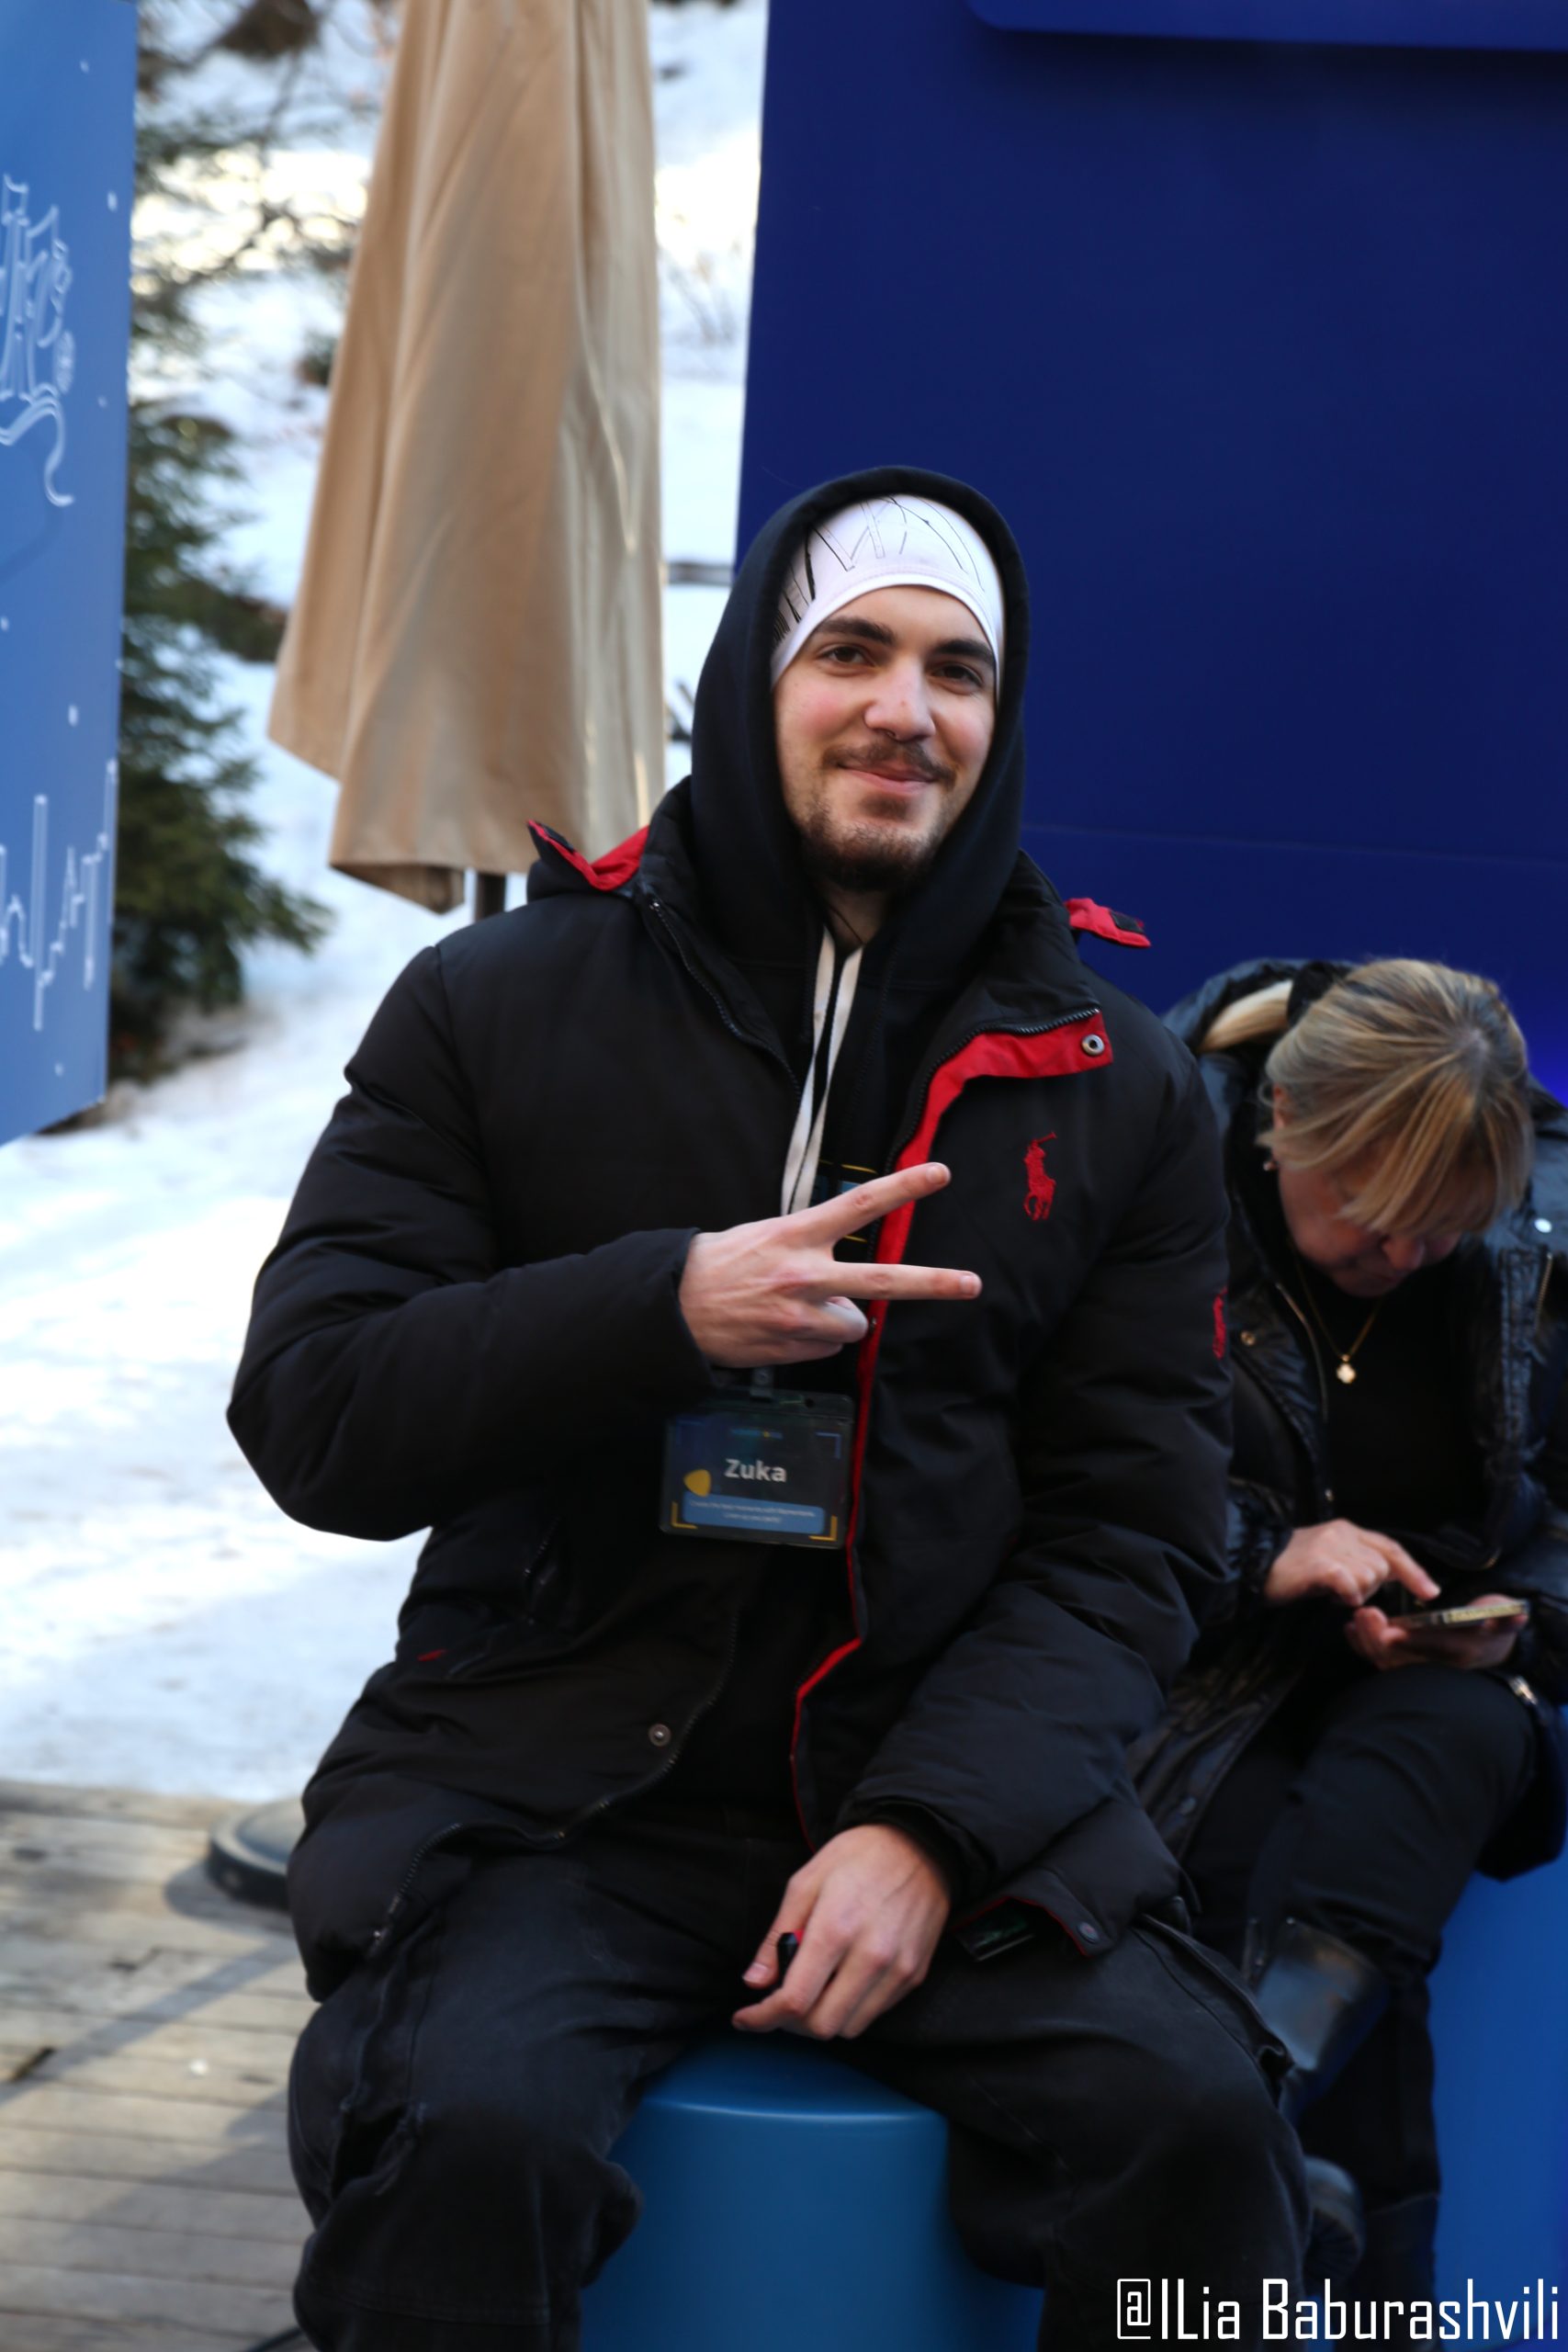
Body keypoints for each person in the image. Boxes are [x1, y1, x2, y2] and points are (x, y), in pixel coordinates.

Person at [230, 467, 1305, 2352]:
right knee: (469, 2133)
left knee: (1207, 2131)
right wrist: (659, 1306)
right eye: (851, 652)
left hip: (946, 1795)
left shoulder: (1116, 1088)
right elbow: (319, 1413)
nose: (906, 709)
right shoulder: (493, 1004)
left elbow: (1133, 1531)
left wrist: (931, 1833)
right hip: (556, 1790)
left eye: (957, 671)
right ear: (752, 683)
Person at [1134, 956, 1568, 2316]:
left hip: (1434, 1673)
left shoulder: (1539, 1237)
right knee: (1273, 1850)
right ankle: (1381, 2300)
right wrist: (1264, 1556)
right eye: (1377, 1227)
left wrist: (1514, 1625)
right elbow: (1053, 1473)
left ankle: (1238, 2123)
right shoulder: (1145, 1180)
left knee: (1446, 1743)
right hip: (1204, 1659)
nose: (1406, 1263)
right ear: (1282, 1123)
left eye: (1445, 1236)